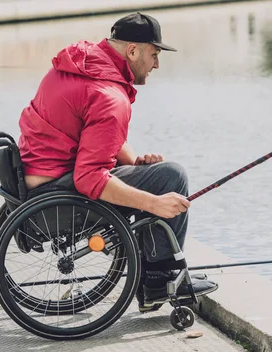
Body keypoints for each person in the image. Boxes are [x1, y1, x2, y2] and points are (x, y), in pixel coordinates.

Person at [16, 12, 218, 312]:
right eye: (154, 54)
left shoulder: (81, 65)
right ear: (133, 51)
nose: (157, 65)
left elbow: (93, 131)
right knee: (171, 177)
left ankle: (156, 274)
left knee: (155, 173)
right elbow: (89, 178)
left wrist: (134, 161)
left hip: (38, 178)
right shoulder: (109, 95)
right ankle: (160, 279)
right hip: (58, 195)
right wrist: (153, 203)